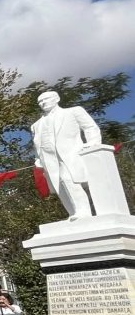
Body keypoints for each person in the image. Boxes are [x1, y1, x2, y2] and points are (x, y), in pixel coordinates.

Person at [31, 90, 103, 221]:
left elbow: (90, 127)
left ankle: (84, 212)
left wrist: (93, 143)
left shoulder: (73, 111)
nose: (42, 103)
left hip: (70, 154)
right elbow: (37, 144)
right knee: (60, 185)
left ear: (56, 98)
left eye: (45, 99)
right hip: (49, 159)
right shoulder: (36, 125)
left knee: (68, 179)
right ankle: (73, 213)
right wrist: (38, 159)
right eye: (40, 102)